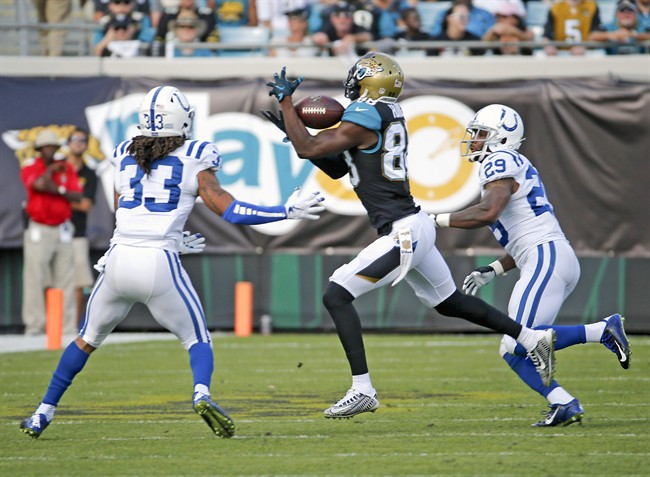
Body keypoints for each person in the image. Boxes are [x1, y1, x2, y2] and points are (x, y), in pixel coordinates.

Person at [261, 53, 557, 420]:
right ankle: (530, 338)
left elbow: (311, 147)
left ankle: (362, 389)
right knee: (450, 303)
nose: (351, 82)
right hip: (413, 225)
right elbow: (337, 166)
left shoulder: (366, 113)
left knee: (336, 295)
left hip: (404, 230)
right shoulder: (384, 113)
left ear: (369, 81)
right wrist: (293, 132)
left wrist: (288, 105)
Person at [20, 85, 325, 440]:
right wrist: (284, 211)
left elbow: (126, 209)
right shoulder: (196, 155)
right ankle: (201, 394)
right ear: (180, 120)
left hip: (117, 260)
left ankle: (42, 412)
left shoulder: (122, 153)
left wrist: (170, 237)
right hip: (157, 263)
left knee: (86, 339)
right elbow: (229, 209)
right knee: (197, 340)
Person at [431, 103, 631, 426]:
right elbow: (523, 236)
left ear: (501, 139)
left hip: (546, 258)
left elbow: (488, 212)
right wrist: (493, 270)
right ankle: (564, 402)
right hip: (551, 257)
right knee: (516, 347)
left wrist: (434, 220)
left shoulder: (500, 161)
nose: (475, 140)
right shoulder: (511, 166)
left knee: (516, 342)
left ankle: (601, 331)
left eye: (482, 134)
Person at [20, 129, 83, 336]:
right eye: (46, 147)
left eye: (53, 147)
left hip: (63, 228)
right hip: (40, 228)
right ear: (39, 149)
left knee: (66, 279)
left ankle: (66, 327)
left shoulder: (66, 168)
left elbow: (77, 196)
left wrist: (56, 188)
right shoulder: (32, 167)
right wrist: (50, 173)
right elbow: (38, 185)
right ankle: (35, 325)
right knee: (35, 278)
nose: (50, 150)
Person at [65, 128, 98, 326]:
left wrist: (59, 197)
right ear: (68, 143)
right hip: (53, 229)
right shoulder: (58, 168)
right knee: (52, 282)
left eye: (82, 140)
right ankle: (48, 327)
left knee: (79, 283)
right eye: (75, 139)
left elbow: (86, 205)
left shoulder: (89, 173)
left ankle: (72, 326)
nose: (78, 143)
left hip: (77, 231)